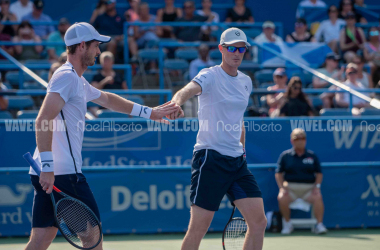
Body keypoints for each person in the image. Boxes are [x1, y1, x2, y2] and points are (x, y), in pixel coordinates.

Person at [24, 22, 179, 250]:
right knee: (92, 238)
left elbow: (107, 99)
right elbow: (43, 119)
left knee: (41, 240)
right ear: (82, 46)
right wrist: (48, 167)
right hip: (62, 174)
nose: (98, 51)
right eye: (96, 46)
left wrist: (150, 113)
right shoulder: (66, 77)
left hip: (51, 172)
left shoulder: (76, 79)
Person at [168, 28, 266, 250]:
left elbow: (239, 120)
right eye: (232, 48)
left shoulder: (246, 82)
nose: (237, 53)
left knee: (259, 222)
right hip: (210, 159)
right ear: (221, 49)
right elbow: (187, 89)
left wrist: (242, 150)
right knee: (198, 229)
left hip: (237, 162)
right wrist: (176, 103)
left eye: (241, 48)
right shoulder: (210, 75)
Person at [275, 128, 327, 235]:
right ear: (292, 141)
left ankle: (319, 225)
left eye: (302, 138)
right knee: (281, 197)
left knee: (318, 197)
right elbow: (278, 173)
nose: (300, 141)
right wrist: (281, 188)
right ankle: (287, 224)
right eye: (297, 138)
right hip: (290, 189)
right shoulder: (285, 156)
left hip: (309, 190)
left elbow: (319, 173)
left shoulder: (312, 155)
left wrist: (317, 187)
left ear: (305, 140)